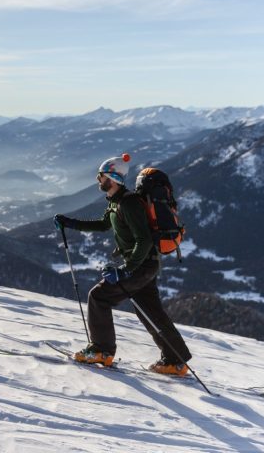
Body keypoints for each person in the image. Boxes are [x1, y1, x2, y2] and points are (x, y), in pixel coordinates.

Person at [54, 153, 192, 376]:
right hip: (146, 266)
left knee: (99, 297)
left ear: (111, 177)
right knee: (150, 311)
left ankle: (101, 350)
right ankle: (175, 361)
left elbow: (144, 240)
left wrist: (126, 270)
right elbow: (102, 225)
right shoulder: (116, 203)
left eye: (100, 177)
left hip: (140, 266)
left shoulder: (128, 204)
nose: (98, 180)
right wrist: (69, 223)